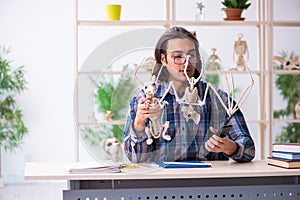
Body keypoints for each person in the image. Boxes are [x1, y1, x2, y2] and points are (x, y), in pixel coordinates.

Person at [123, 26, 255, 163]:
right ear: (163, 59)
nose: (186, 63)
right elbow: (135, 158)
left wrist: (231, 147)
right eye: (178, 56)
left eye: (192, 55)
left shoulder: (218, 99)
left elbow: (249, 150)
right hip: (161, 182)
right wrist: (139, 123)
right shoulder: (145, 100)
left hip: (209, 181)